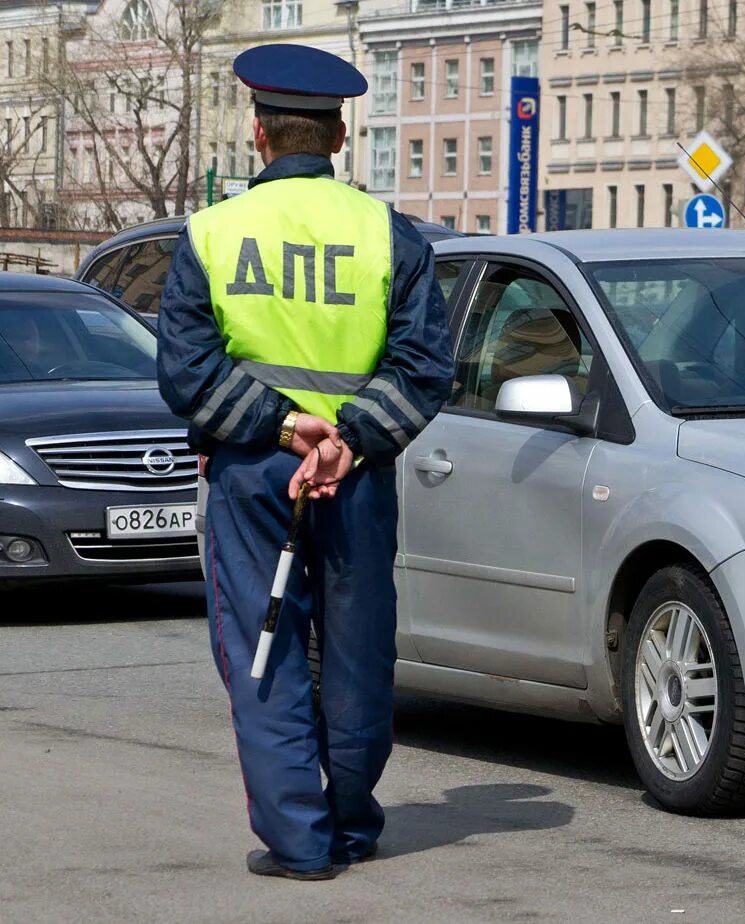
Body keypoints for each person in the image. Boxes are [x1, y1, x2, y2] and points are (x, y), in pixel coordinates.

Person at [156, 43, 453, 881]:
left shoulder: (211, 234)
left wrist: (288, 431)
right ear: (341, 134)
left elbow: (187, 375)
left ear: (258, 134)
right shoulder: (388, 234)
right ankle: (352, 824)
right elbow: (425, 366)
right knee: (357, 650)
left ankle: (299, 840)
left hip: (256, 473)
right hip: (354, 477)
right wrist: (346, 437)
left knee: (264, 650)